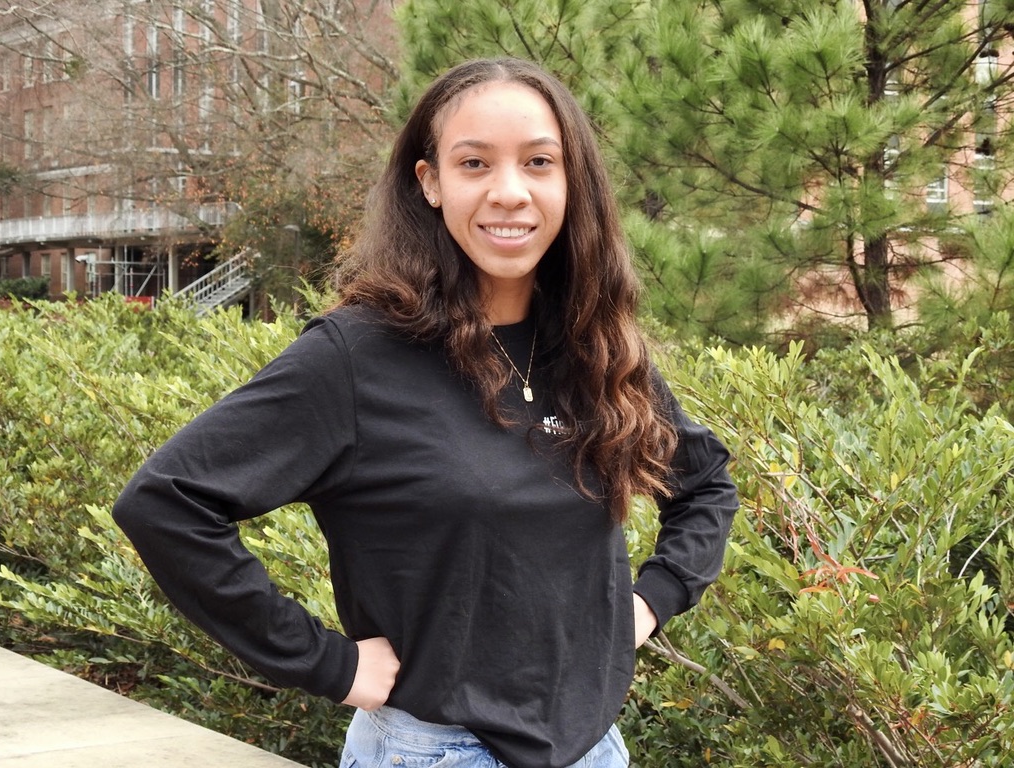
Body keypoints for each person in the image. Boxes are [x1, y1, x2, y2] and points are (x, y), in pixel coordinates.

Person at [112, 57, 738, 768]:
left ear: (572, 182)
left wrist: (649, 602)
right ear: (431, 181)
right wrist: (328, 664)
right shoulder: (357, 355)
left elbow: (706, 483)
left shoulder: (594, 346)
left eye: (539, 161)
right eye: (475, 163)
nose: (510, 192)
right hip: (435, 752)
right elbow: (166, 503)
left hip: (595, 749)